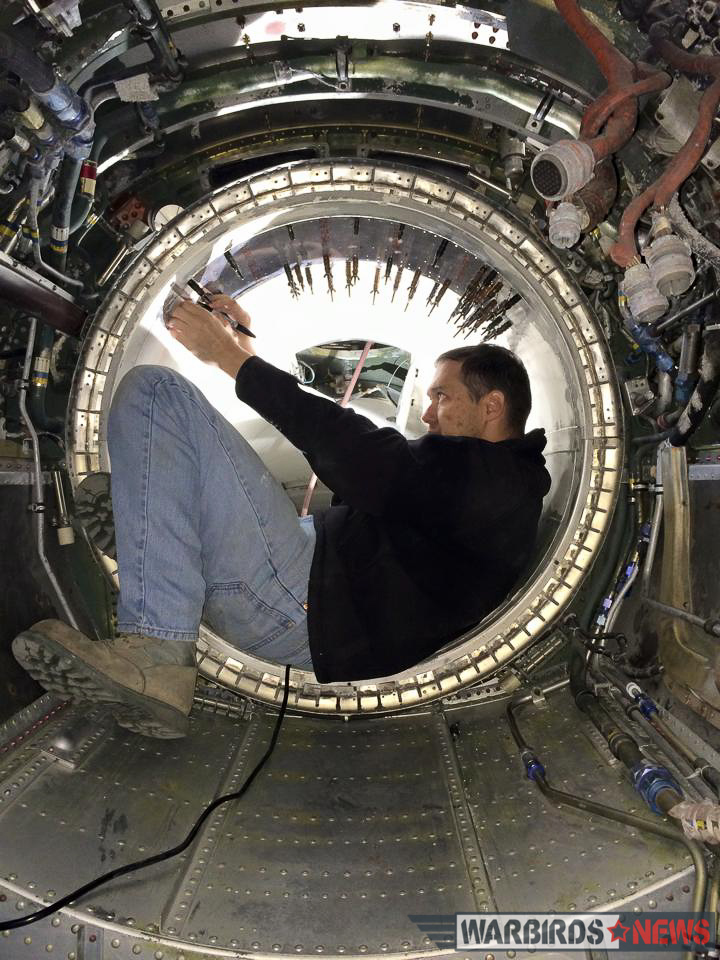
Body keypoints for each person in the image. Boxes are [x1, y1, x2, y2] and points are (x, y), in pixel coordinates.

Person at [13, 293, 551, 739]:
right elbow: (354, 445)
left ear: (492, 406)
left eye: (442, 396)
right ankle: (167, 547)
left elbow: (361, 454)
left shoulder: (495, 481)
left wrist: (231, 358)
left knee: (156, 392)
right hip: (303, 584)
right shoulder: (484, 484)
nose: (428, 413)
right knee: (174, 457)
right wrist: (247, 353)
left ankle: (157, 650)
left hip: (301, 602)